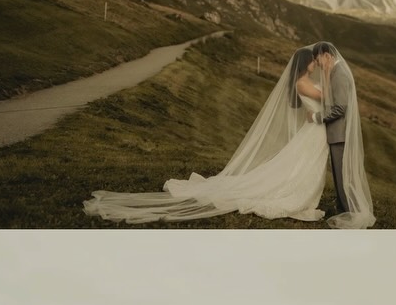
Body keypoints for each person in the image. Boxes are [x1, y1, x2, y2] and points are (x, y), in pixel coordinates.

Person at [83, 44, 372, 227]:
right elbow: (332, 104)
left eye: (316, 59)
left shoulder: (314, 80)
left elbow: (334, 101)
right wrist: (323, 104)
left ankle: (332, 202)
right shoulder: (305, 84)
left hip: (317, 131)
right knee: (300, 168)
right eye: (311, 60)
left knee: (305, 167)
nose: (314, 62)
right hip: (315, 131)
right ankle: (309, 199)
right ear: (304, 63)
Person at [309, 41, 375, 229]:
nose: (319, 64)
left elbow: (339, 108)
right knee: (341, 176)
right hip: (338, 134)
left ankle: (349, 214)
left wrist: (317, 116)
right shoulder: (338, 72)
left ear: (327, 55)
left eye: (318, 59)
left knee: (342, 176)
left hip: (340, 134)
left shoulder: (339, 74)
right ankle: (344, 209)